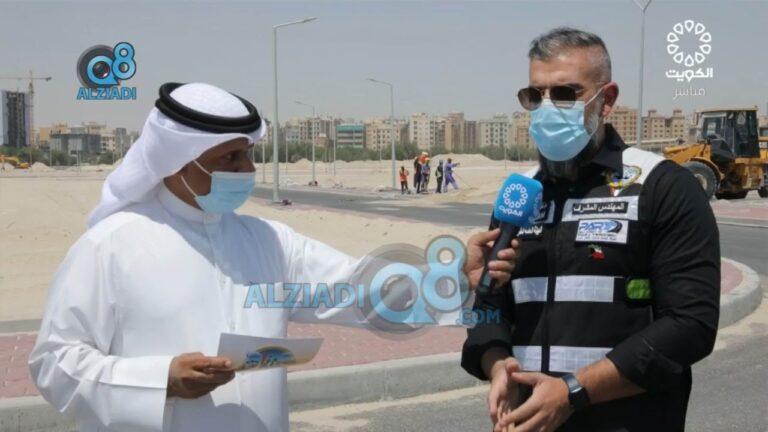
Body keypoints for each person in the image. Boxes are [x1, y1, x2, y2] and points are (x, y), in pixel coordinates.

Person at [29, 82, 521, 432]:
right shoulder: (110, 246)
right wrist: (161, 381)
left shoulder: (266, 240)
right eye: (230, 159)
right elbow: (55, 362)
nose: (246, 169)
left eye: (248, 155)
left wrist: (452, 275)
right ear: (177, 163)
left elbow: (357, 289)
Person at [461, 28, 720, 432]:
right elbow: (490, 309)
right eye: (535, 95)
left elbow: (691, 325)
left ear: (606, 99)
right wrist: (496, 365)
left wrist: (572, 393)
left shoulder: (661, 186)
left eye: (566, 94)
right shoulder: (520, 194)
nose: (548, 108)